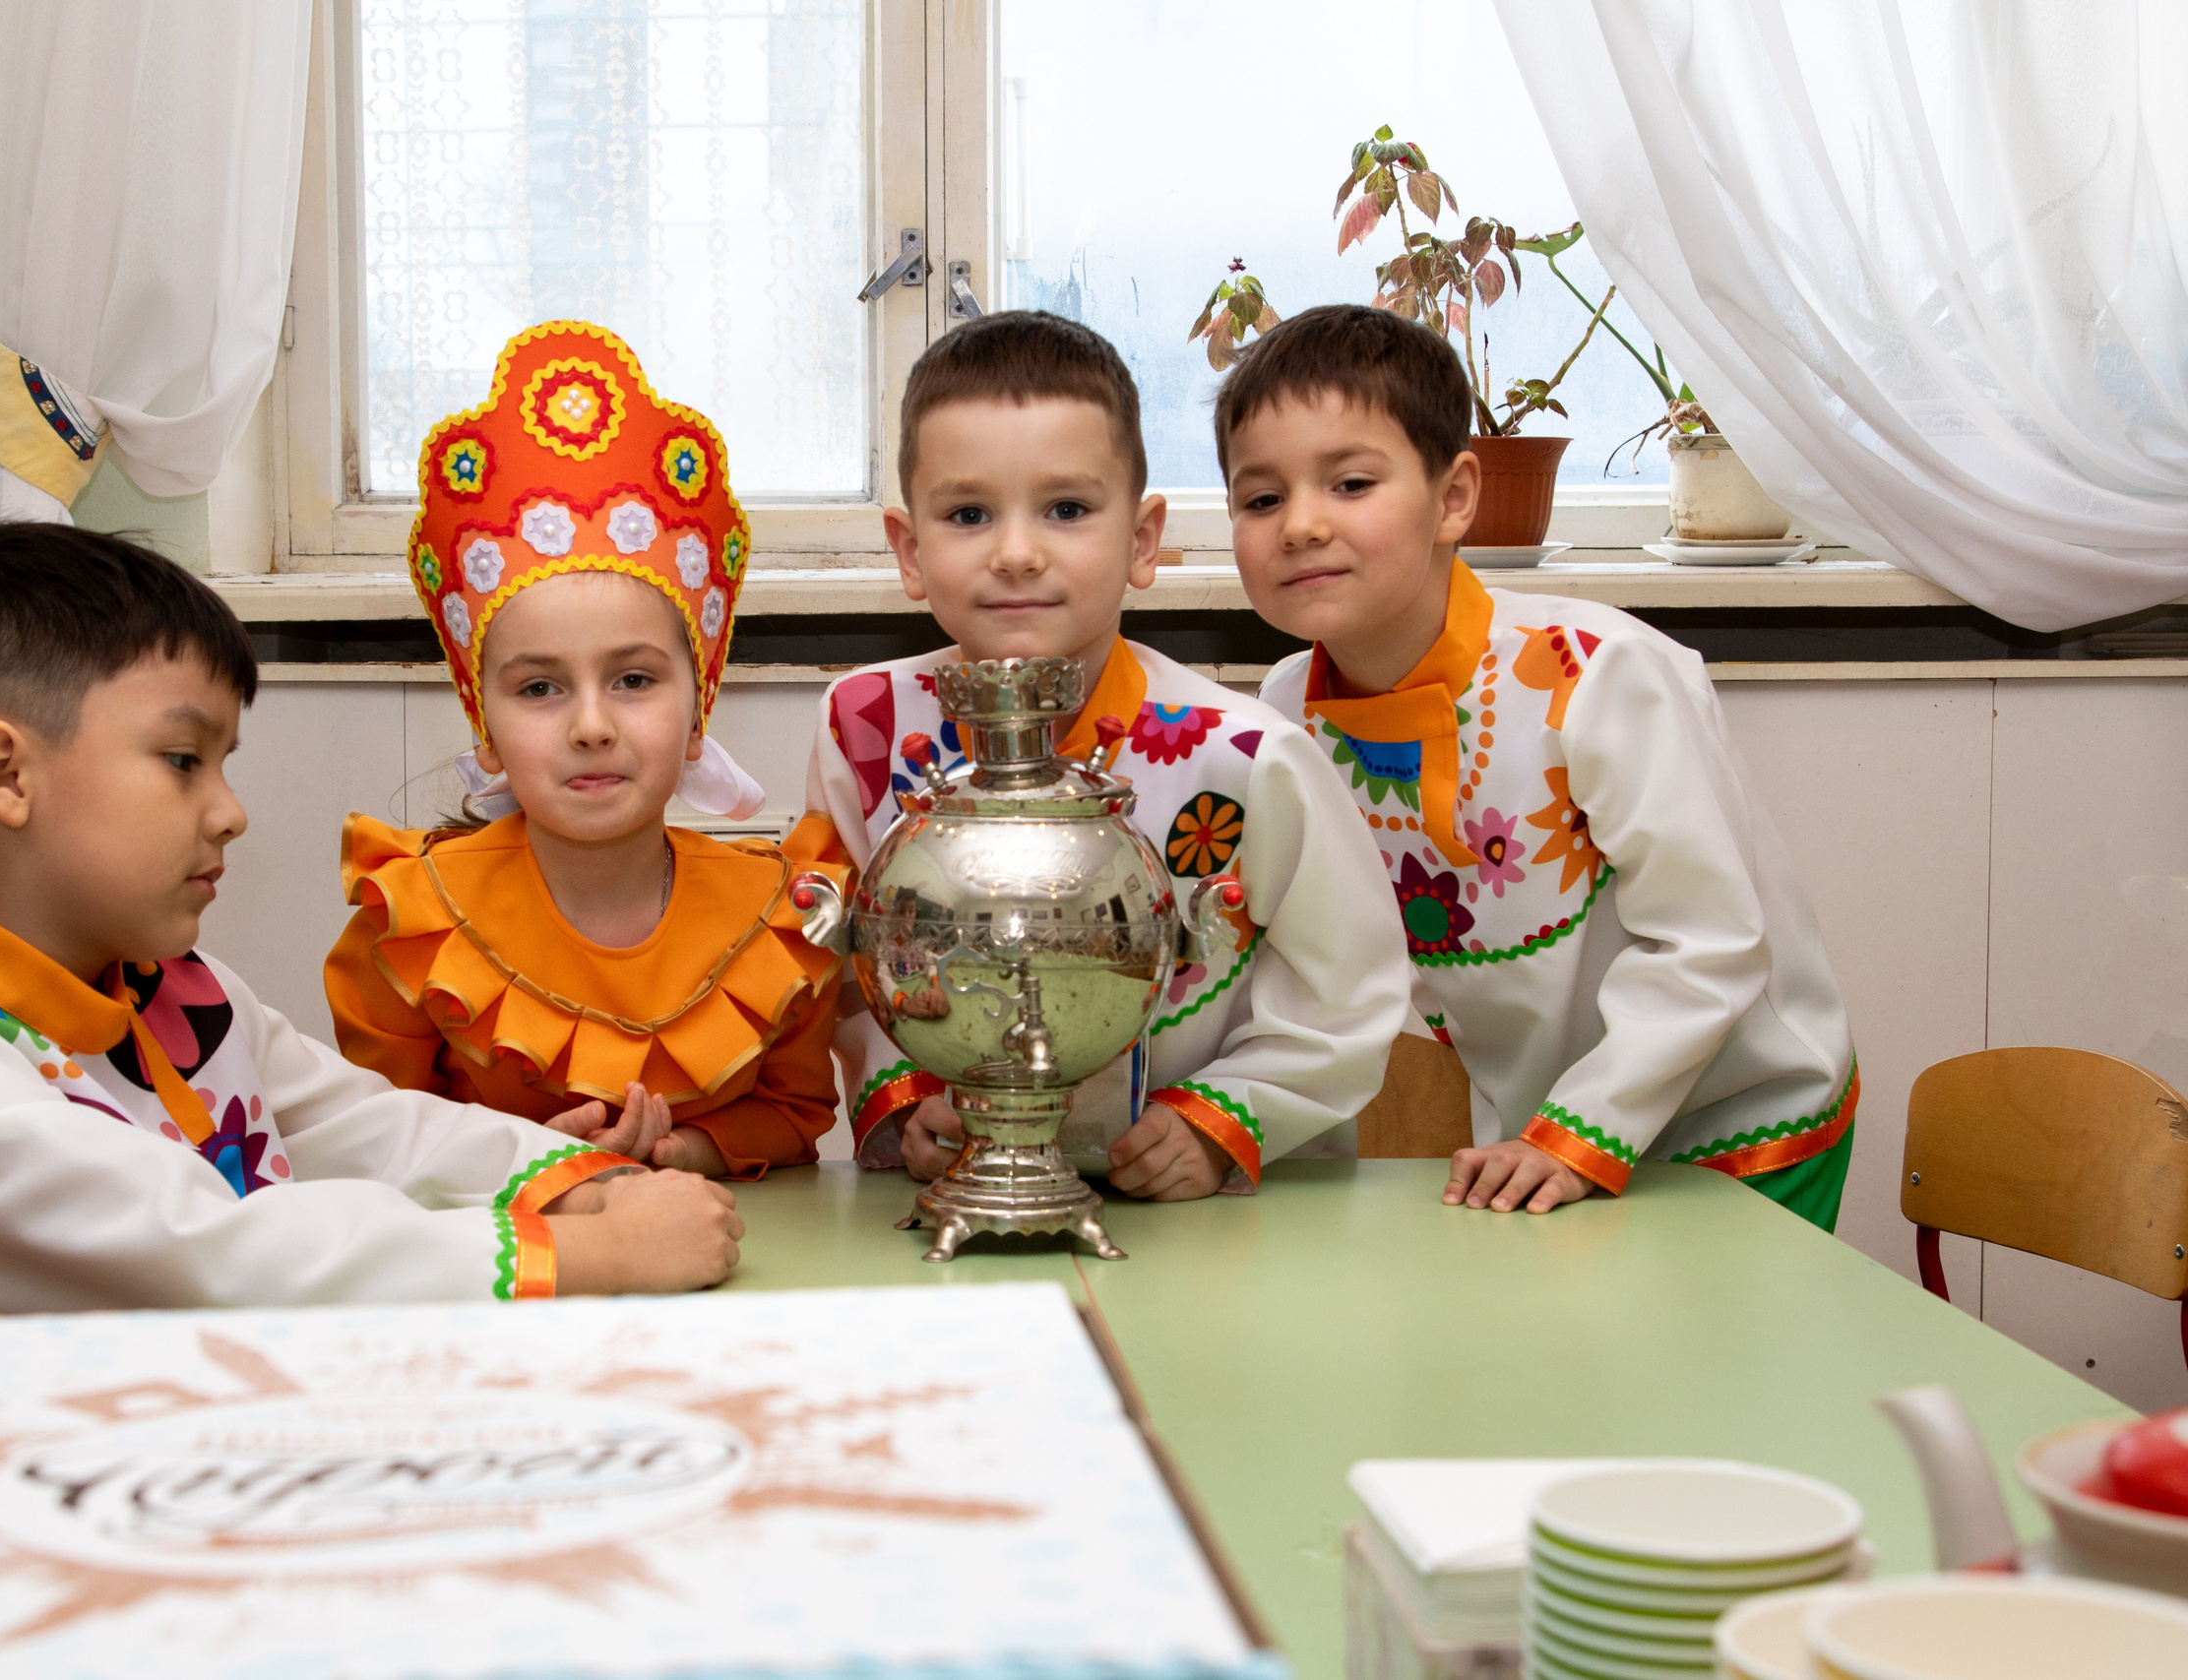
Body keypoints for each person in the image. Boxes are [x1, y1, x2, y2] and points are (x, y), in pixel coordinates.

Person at [0, 522, 743, 1317]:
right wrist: (594, 1255)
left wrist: (575, 1175)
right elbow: (224, 1257)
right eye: (181, 759)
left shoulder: (170, 990)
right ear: (7, 775)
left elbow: (374, 1127)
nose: (229, 811)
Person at [1228, 304, 1855, 1226]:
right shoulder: (1283, 712)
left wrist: (1579, 1129)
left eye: (1351, 483)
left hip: (1735, 1117)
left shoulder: (1596, 674)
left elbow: (1711, 941)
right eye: (1261, 498)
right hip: (1540, 1136)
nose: (1301, 526)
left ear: (1455, 498)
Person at [799, 310, 1408, 1199]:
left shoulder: (1242, 755)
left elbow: (1347, 988)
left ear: (1143, 539)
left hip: (1209, 1218)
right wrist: (903, 1096)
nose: (1016, 553)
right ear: (910, 550)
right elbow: (835, 968)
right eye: (968, 513)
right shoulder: (863, 725)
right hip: (952, 1198)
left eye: (1067, 509)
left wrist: (1225, 1118)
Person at [325, 322, 845, 1180]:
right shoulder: (408, 923)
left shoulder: (782, 917)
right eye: (540, 689)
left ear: (698, 711)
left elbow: (794, 1113)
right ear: (484, 730)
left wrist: (686, 1149)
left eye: (635, 681)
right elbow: (365, 1141)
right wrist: (524, 1162)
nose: (592, 725)